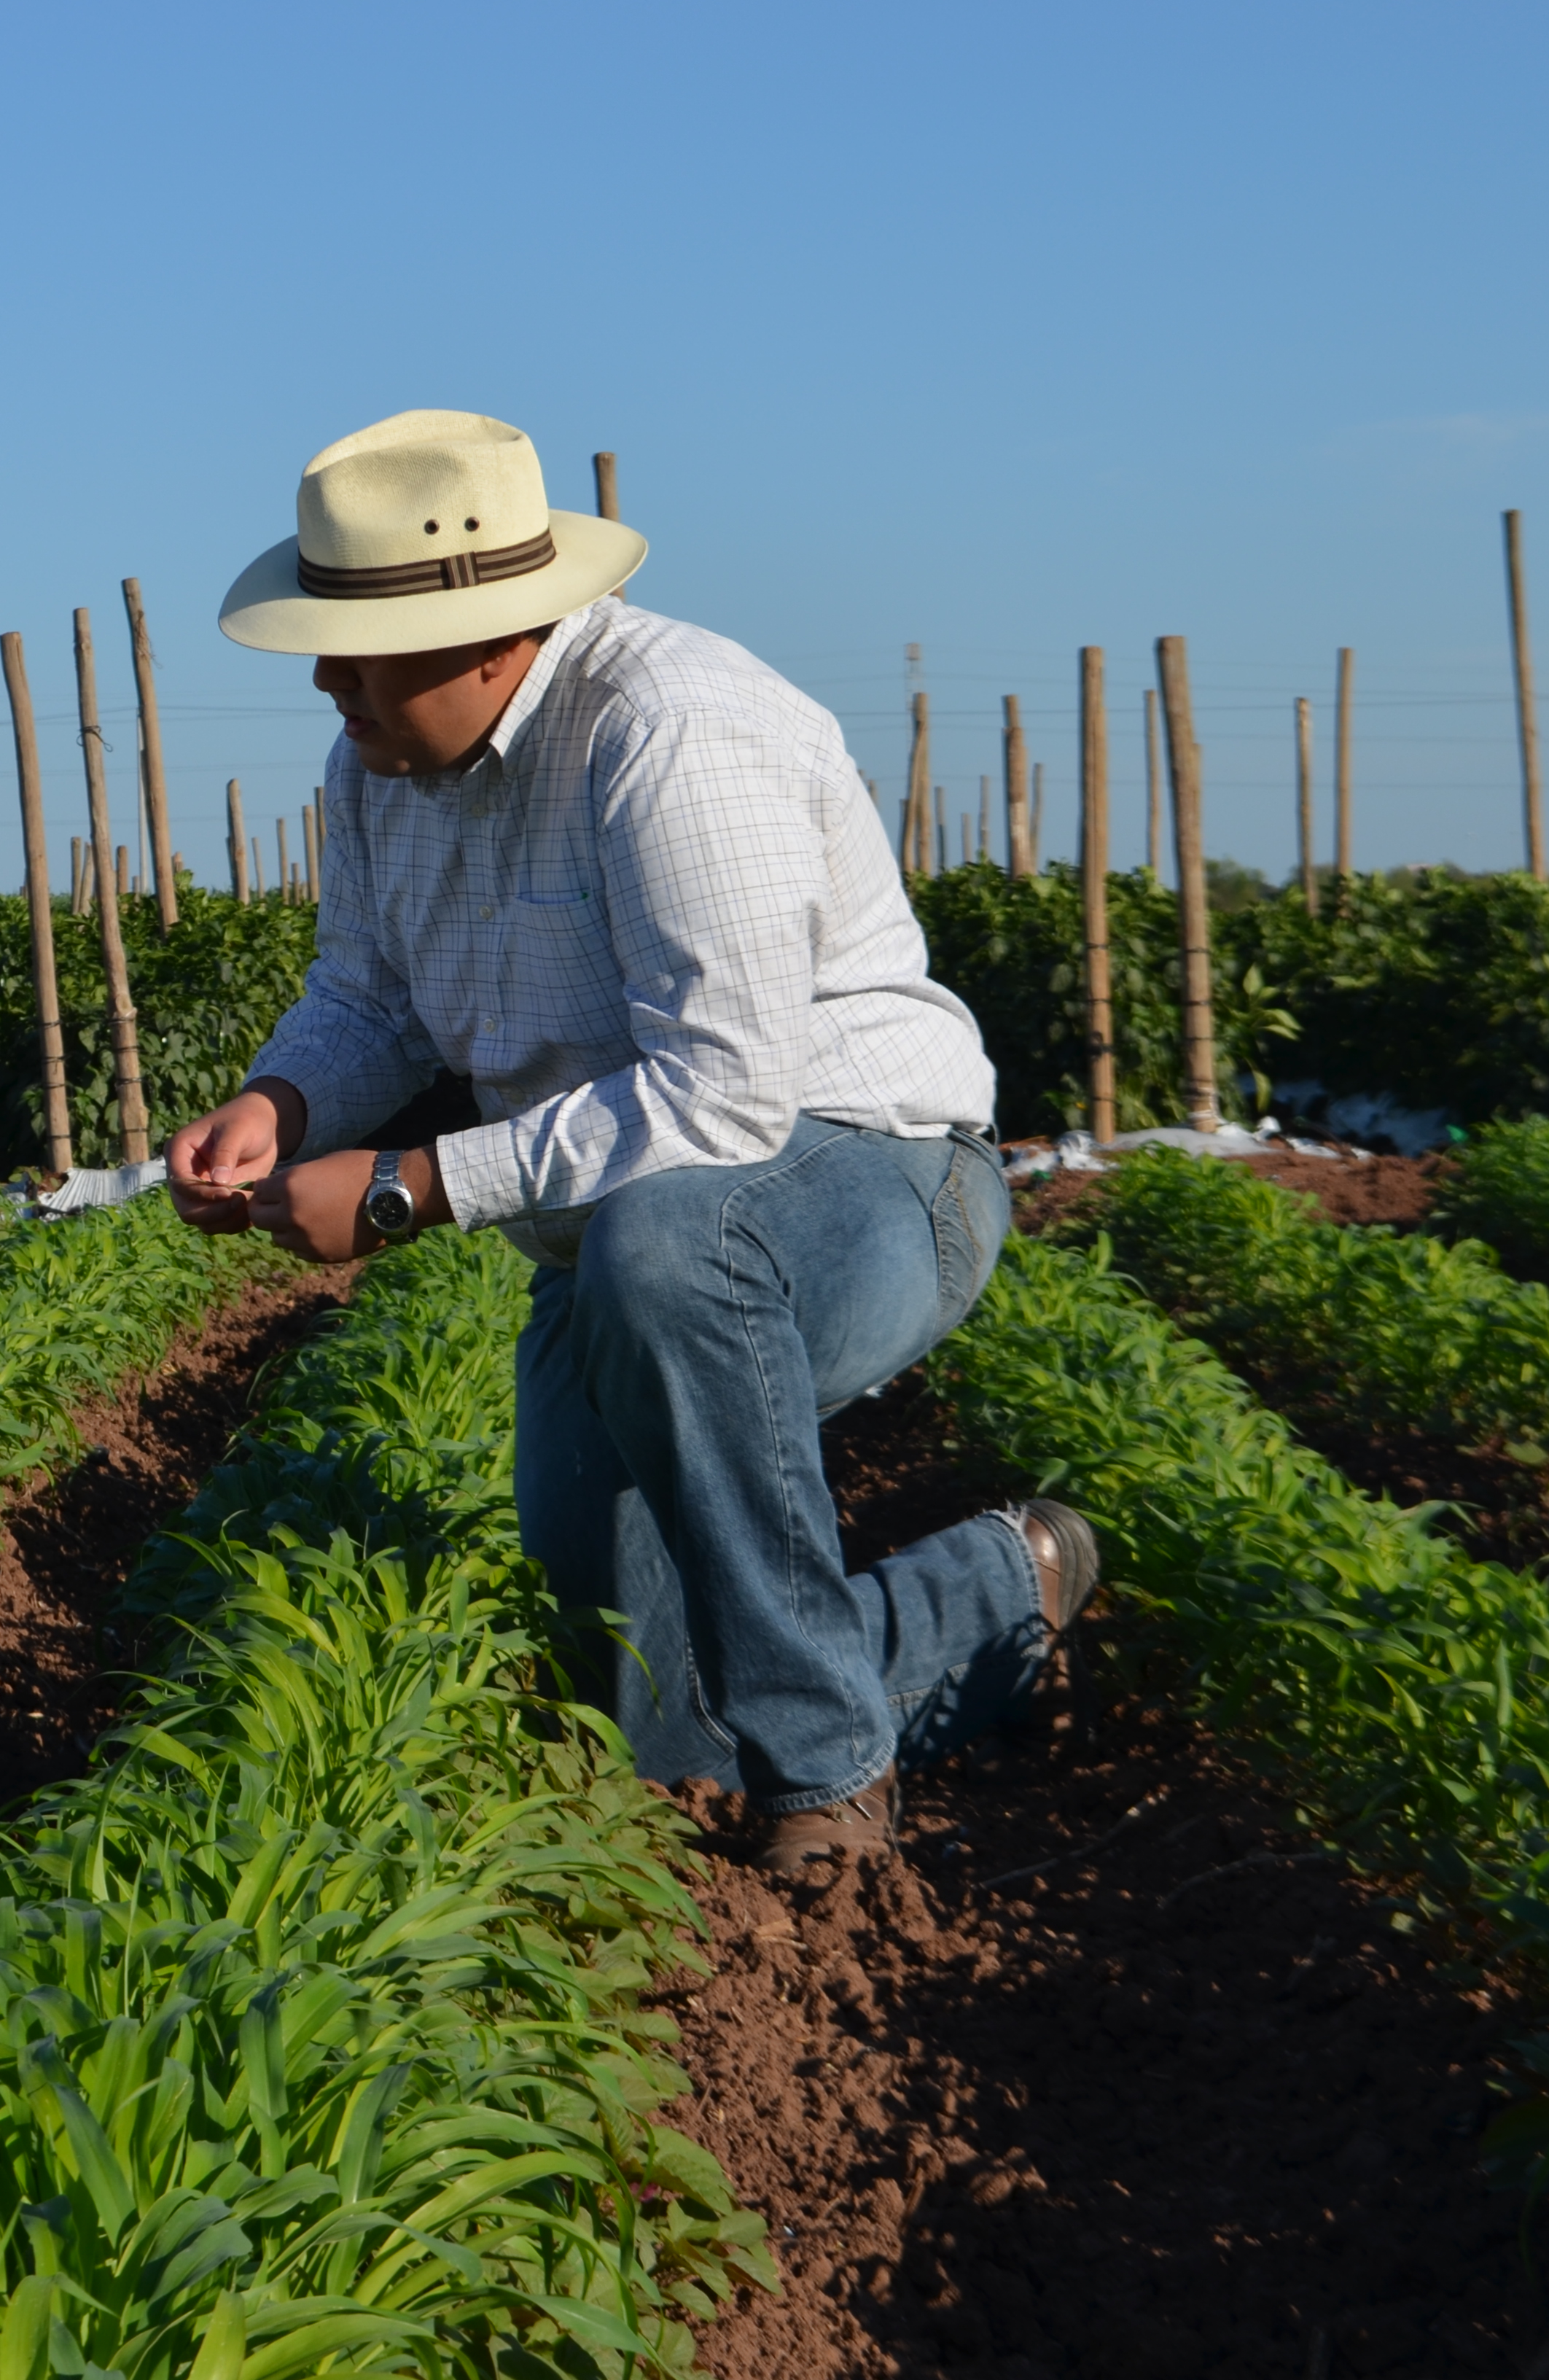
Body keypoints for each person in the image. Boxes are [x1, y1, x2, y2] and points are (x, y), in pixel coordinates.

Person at [163, 408, 1100, 1868]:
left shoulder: (676, 732)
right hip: (615, 1247)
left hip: (863, 1178)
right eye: (322, 644)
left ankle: (829, 1772)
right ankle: (989, 1592)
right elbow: (370, 996)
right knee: (642, 1707)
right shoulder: (374, 772)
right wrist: (277, 1105)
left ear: (492, 641)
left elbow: (720, 1098)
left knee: (667, 1245)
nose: (330, 681)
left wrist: (409, 1189)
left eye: (359, 648)